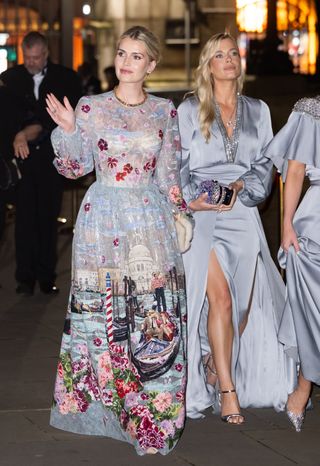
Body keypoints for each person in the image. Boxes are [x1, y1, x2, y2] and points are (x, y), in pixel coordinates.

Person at [46, 25, 191, 455]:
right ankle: (111, 407)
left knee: (152, 314)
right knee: (103, 313)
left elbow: (169, 174)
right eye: (122, 53)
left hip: (148, 220)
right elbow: (73, 168)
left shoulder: (165, 111)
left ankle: (153, 418)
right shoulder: (91, 107)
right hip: (101, 220)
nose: (125, 62)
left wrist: (181, 216)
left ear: (151, 64)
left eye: (135, 56)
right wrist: (71, 129)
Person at [177, 32, 295, 423]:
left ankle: (214, 361)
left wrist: (245, 185)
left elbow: (266, 161)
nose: (229, 60)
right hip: (202, 216)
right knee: (221, 300)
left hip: (242, 213)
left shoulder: (258, 110)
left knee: (239, 310)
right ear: (208, 65)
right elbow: (178, 164)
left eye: (233, 54)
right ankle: (228, 391)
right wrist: (198, 195)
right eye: (220, 55)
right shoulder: (190, 109)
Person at [0, 31, 82, 296]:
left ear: (46, 54)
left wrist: (32, 129)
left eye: (37, 57)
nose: (33, 62)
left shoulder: (65, 77)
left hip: (50, 160)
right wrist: (17, 134)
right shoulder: (10, 79)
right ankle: (24, 278)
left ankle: (47, 276)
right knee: (23, 220)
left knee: (48, 218)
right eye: (29, 58)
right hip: (21, 162)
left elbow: (68, 119)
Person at [264, 96, 320, 432]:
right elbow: (294, 169)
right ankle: (303, 386)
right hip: (315, 223)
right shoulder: (311, 110)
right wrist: (286, 225)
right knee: (311, 312)